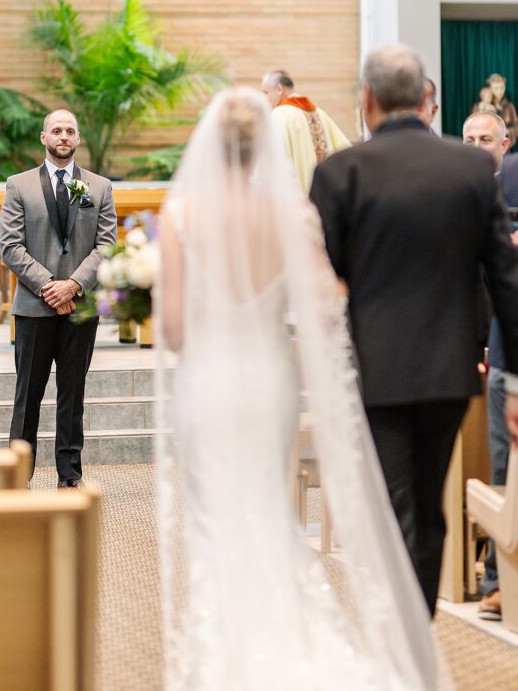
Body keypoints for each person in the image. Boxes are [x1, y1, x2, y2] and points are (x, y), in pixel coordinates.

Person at [157, 87, 439, 691]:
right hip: (267, 381)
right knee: (266, 503)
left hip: (211, 381)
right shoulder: (292, 214)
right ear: (262, 146)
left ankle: (231, 661)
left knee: (215, 516)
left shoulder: (181, 214)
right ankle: (284, 647)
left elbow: (175, 329)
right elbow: (327, 305)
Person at [310, 44, 518, 617]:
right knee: (426, 506)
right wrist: (516, 380)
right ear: (427, 100)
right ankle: (416, 632)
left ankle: (397, 636)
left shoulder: (338, 174)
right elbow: (504, 278)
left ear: (367, 100)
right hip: (451, 370)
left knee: (390, 501)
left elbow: (325, 279)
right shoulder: (472, 168)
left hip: (375, 368)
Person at [0, 109, 117, 487]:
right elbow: (10, 245)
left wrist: (74, 285)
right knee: (27, 396)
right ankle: (20, 474)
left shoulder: (99, 187)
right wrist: (50, 284)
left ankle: (69, 475)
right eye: (56, 130)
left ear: (77, 138)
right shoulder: (19, 185)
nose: (63, 136)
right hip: (34, 307)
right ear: (43, 137)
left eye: (69, 130)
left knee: (72, 396)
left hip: (80, 310)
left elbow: (107, 245)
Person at [462, 109, 515, 622]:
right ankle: (498, 579)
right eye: (470, 139)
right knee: (498, 466)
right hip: (488, 342)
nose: (479, 146)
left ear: (505, 143)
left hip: (504, 335)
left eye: (486, 139)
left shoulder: (511, 187)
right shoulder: (458, 194)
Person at [260, 69, 351, 193]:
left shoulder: (279, 115)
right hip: (323, 196)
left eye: (266, 93)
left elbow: (271, 162)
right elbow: (344, 149)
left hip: (295, 200)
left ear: (279, 89)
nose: (264, 98)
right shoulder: (319, 113)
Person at [486, 73, 518, 149]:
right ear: (490, 89)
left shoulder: (509, 106)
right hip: (486, 148)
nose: (499, 91)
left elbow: (516, 127)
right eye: (496, 88)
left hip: (504, 149)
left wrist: (508, 131)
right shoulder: (481, 106)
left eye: (502, 88)